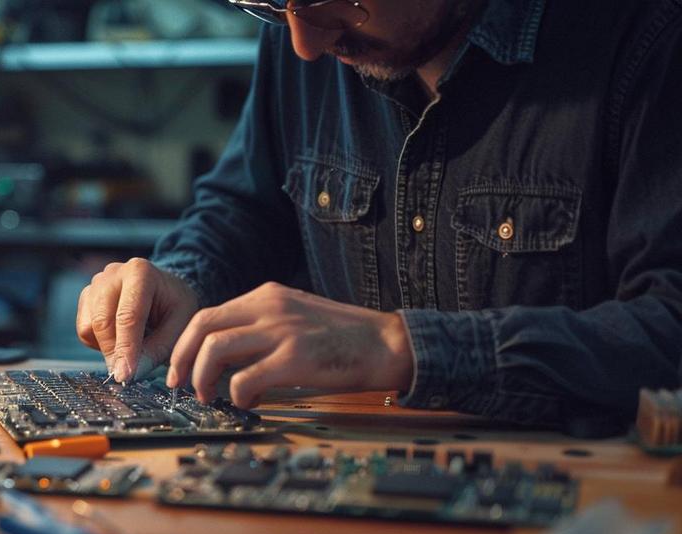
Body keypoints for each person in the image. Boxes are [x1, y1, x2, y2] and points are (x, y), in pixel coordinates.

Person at [75, 0, 682, 430]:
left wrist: (406, 349)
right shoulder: (303, 20)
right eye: (267, 4)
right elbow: (248, 210)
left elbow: (669, 325)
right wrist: (185, 280)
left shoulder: (647, 35)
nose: (303, 43)